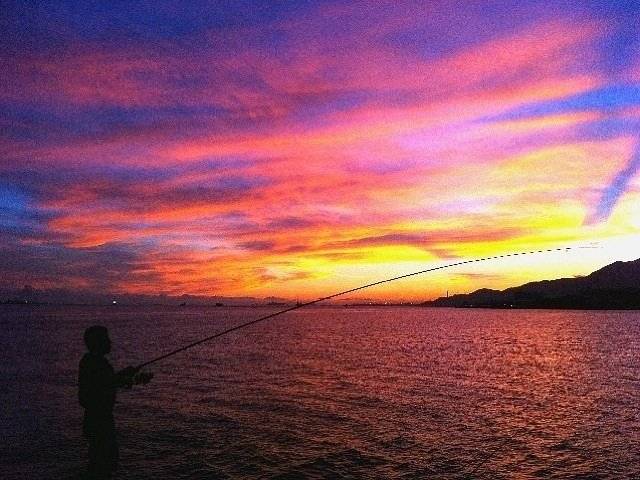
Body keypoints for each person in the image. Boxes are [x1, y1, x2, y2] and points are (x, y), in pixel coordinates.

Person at [78, 325, 153, 479]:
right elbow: (108, 383)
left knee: (99, 460)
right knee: (103, 462)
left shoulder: (90, 361)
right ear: (99, 343)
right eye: (106, 339)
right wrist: (135, 379)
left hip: (95, 419)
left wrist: (128, 374)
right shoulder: (97, 364)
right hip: (100, 420)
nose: (110, 342)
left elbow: (108, 381)